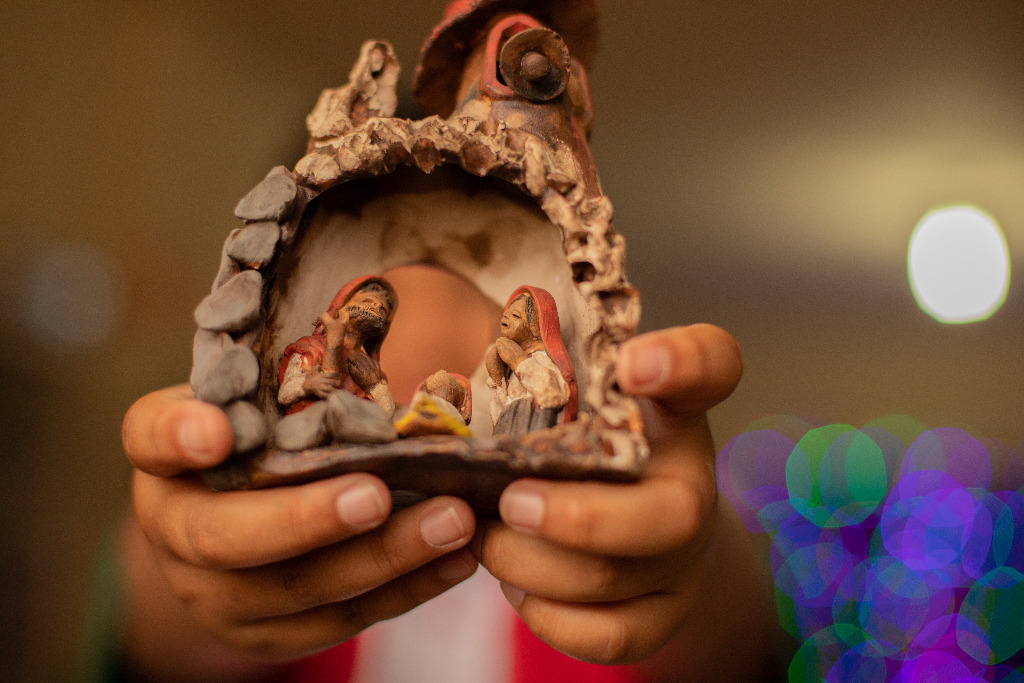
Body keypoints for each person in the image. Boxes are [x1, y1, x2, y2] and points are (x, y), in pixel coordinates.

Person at [117, 267, 785, 682]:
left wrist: (692, 553)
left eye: (472, 290)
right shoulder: (297, 465)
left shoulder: (581, 495)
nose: (433, 333)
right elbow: (162, 636)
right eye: (388, 298)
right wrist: (191, 538)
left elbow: (731, 640)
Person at [278, 276, 398, 418]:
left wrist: (375, 386)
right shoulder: (312, 348)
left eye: (382, 310)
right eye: (367, 301)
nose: (374, 309)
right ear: (341, 305)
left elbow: (386, 415)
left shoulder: (370, 370)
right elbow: (285, 393)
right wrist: (308, 384)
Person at [485, 286, 577, 436]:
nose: (506, 317)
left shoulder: (539, 358)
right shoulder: (509, 369)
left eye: (515, 316)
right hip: (509, 434)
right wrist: (497, 379)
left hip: (530, 432)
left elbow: (554, 394)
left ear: (535, 327)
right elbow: (501, 415)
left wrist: (519, 362)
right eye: (506, 312)